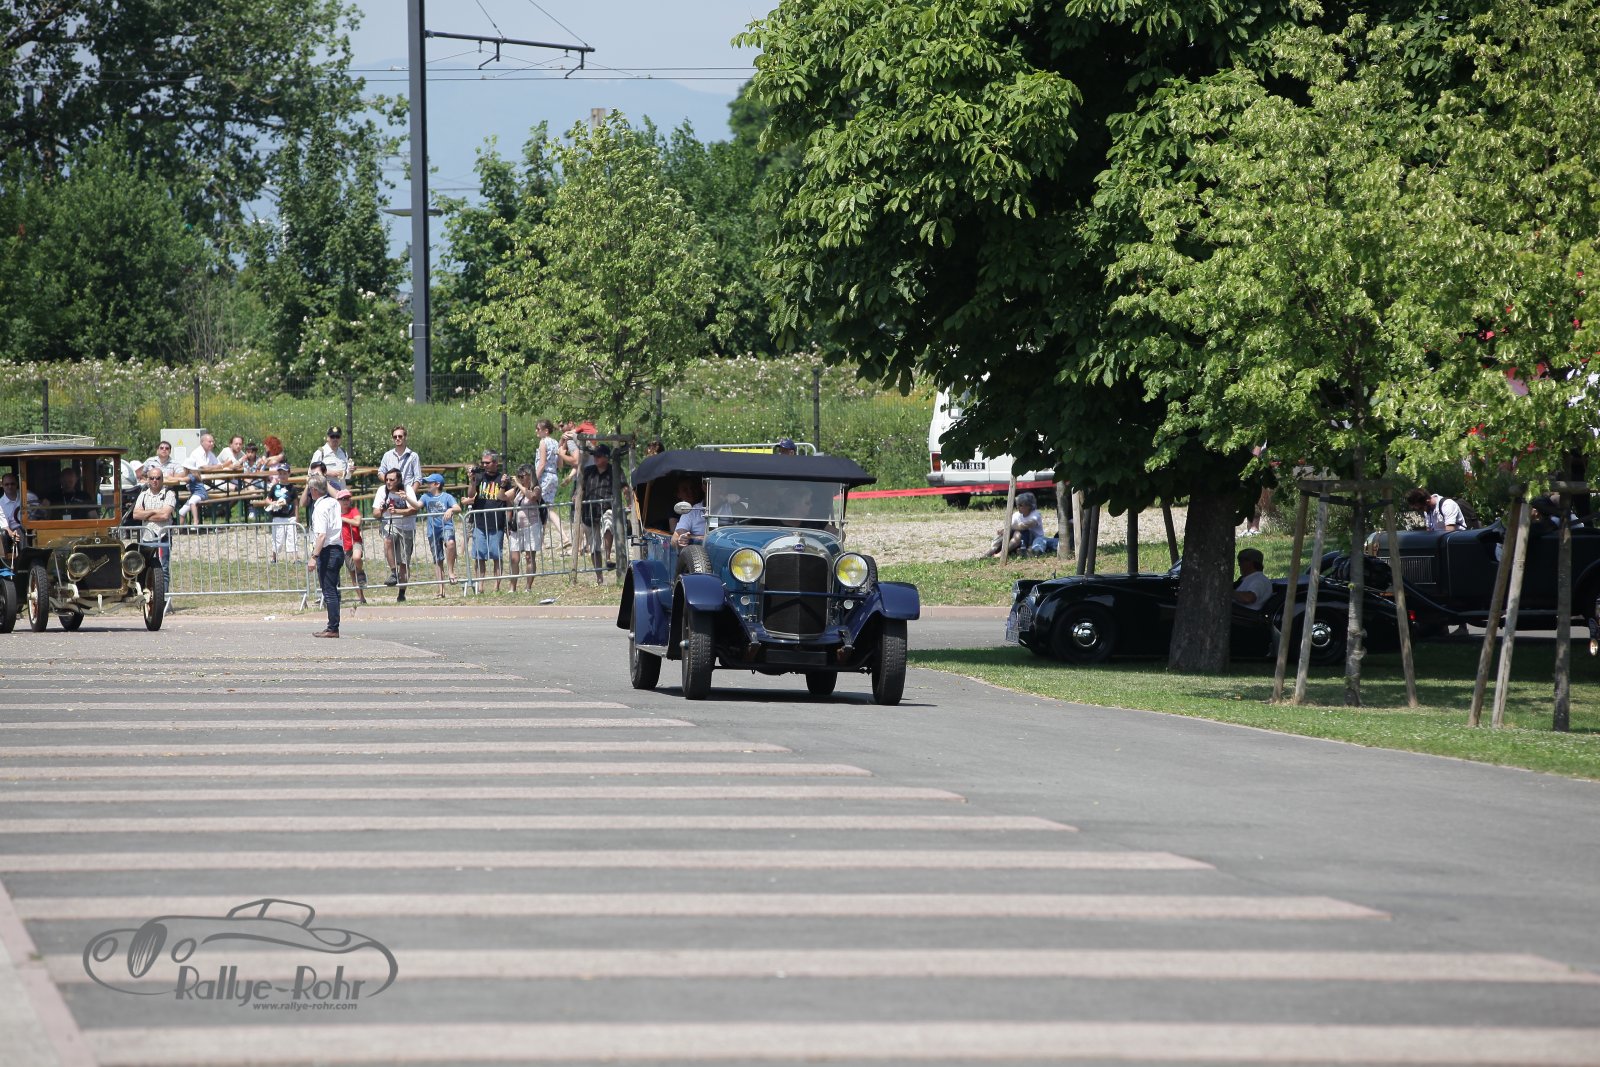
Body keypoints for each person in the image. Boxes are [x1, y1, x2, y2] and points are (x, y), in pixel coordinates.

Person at [377, 425, 422, 584]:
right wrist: (390, 484)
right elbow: (380, 472)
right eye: (395, 436)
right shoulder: (387, 455)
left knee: (404, 558)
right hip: (391, 497)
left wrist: (408, 495)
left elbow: (418, 478)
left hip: (406, 495)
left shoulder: (413, 456)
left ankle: (402, 589)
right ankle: (392, 573)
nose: (397, 439)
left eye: (400, 436)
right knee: (388, 539)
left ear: (405, 437)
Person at [465, 449, 513, 592]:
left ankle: (496, 587)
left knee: (496, 555)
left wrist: (509, 521)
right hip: (480, 522)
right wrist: (472, 480)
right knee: (479, 556)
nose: (484, 465)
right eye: (483, 463)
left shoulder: (503, 479)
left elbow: (508, 501)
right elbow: (471, 495)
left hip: (497, 522)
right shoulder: (479, 477)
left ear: (495, 463)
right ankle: (480, 586)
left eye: (487, 462)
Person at [374, 469, 419, 602]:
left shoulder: (407, 489)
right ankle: (393, 572)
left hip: (407, 527)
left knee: (404, 563)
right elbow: (375, 513)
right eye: (387, 479)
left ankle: (401, 593)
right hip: (390, 524)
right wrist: (383, 509)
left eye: (392, 480)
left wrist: (397, 511)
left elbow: (415, 509)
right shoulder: (382, 490)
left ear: (399, 480)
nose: (388, 482)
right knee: (387, 540)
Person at [306, 474, 342, 638]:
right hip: (338, 547)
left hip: (328, 550)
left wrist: (314, 556)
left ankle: (333, 627)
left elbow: (321, 535)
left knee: (329, 591)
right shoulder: (333, 502)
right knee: (332, 589)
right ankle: (332, 625)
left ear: (314, 490)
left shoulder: (320, 508)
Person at [418, 473, 461, 597]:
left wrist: (451, 509)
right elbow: (417, 506)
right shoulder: (425, 496)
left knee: (451, 543)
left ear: (437, 484)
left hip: (446, 526)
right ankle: (441, 590)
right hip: (432, 530)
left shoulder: (447, 496)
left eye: (429, 483)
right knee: (438, 559)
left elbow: (458, 508)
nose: (427, 485)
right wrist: (407, 498)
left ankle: (451, 571)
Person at [579, 443, 617, 583]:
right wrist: (577, 497)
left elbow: (624, 486)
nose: (595, 457)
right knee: (594, 546)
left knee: (608, 523)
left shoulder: (614, 470)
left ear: (606, 457)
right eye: (594, 455)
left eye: (599, 455)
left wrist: (627, 499)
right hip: (589, 511)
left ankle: (608, 557)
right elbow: (580, 489)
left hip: (606, 507)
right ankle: (599, 577)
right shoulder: (588, 471)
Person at [176, 431, 229, 525]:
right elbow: (205, 467)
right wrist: (222, 466)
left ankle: (196, 522)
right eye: (210, 442)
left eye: (213, 442)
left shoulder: (209, 454)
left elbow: (213, 466)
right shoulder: (197, 453)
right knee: (182, 510)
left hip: (202, 490)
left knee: (192, 502)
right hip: (201, 487)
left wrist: (220, 466)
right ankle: (182, 529)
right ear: (202, 442)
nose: (212, 444)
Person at [131, 467, 176, 570]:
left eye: (158, 478)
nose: (155, 480)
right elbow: (136, 515)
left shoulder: (169, 494)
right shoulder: (143, 495)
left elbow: (164, 515)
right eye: (152, 478)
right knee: (145, 567)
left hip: (163, 535)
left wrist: (145, 515)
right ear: (148, 479)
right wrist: (155, 511)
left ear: (162, 479)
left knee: (163, 568)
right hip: (146, 536)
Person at [508, 462, 544, 592]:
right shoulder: (517, 490)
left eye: (522, 476)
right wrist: (503, 485)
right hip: (517, 528)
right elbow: (501, 497)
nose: (520, 479)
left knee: (529, 557)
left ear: (530, 476)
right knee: (514, 558)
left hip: (532, 526)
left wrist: (519, 484)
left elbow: (532, 497)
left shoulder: (536, 488)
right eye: (518, 476)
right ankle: (512, 587)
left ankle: (528, 587)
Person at [535, 419, 567, 550]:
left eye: (538, 429)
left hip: (545, 477)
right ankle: (541, 541)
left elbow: (542, 464)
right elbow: (560, 464)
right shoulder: (555, 443)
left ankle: (564, 536)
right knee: (544, 508)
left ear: (546, 431)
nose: (536, 431)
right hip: (553, 476)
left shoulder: (543, 442)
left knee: (546, 509)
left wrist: (534, 479)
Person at [335, 487, 367, 606]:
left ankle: (361, 571)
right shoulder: (335, 513)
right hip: (344, 546)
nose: (345, 501)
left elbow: (357, 522)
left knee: (357, 557)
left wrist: (343, 519)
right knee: (352, 574)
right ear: (338, 501)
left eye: (347, 498)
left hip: (355, 542)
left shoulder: (353, 511)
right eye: (343, 499)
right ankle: (362, 598)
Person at [987, 492, 1045, 557]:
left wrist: (1012, 528)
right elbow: (1010, 526)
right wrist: (1003, 530)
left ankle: (1002, 554)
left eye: (1020, 505)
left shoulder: (1035, 514)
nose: (1018, 507)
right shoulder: (1016, 515)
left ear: (1029, 506)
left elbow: (1027, 525)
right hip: (1020, 540)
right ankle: (989, 553)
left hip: (1033, 540)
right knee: (1006, 532)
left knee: (1017, 533)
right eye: (1017, 504)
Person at [261, 464, 298, 563]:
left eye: (284, 473)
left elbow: (296, 503)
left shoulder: (292, 488)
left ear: (289, 474)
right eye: (280, 473)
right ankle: (274, 558)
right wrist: (272, 503)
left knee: (292, 537)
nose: (282, 476)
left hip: (290, 516)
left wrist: (296, 516)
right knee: (277, 537)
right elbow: (267, 499)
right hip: (278, 516)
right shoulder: (274, 487)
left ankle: (295, 558)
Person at [671, 476, 707, 548]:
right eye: (685, 490)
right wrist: (684, 538)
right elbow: (676, 536)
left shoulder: (729, 508)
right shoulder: (689, 510)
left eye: (693, 488)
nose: (690, 491)